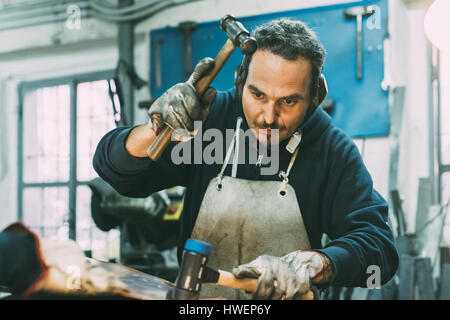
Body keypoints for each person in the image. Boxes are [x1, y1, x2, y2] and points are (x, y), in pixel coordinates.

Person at [93, 18, 399, 300]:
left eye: (289, 101)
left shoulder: (331, 150)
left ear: (314, 97)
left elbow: (380, 250)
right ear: (241, 81)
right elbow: (117, 172)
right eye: (258, 95)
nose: (269, 117)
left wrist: (316, 263)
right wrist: (154, 128)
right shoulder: (209, 120)